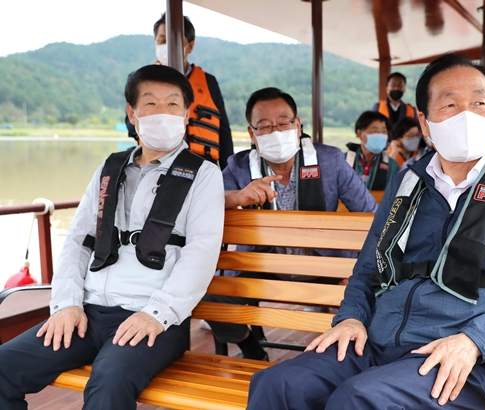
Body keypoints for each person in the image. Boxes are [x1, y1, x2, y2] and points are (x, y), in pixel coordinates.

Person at [246, 54, 485, 410]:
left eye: (479, 103)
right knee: (276, 385)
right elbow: (367, 269)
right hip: (374, 342)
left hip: (457, 359)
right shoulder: (407, 184)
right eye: (450, 104)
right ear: (425, 123)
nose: (466, 115)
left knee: (359, 399)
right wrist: (351, 317)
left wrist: (475, 340)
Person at [0, 65, 225, 410]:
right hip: (87, 313)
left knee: (108, 383)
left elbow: (202, 252)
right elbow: (78, 240)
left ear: (186, 114)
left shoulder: (204, 174)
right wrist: (66, 304)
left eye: (172, 104)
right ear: (132, 114)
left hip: (154, 318)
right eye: (150, 103)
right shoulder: (110, 168)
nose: (162, 112)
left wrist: (158, 314)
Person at [204, 87, 378, 361]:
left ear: (297, 126)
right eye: (264, 126)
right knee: (208, 293)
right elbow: (206, 201)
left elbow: (371, 216)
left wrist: (355, 270)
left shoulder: (330, 160)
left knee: (374, 293)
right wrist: (237, 196)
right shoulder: (239, 166)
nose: (275, 132)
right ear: (252, 134)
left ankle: (345, 357)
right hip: (262, 267)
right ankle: (250, 347)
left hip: (327, 267)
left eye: (283, 123)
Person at [126, 13, 233, 170]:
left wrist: (227, 173)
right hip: (155, 164)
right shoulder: (139, 81)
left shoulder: (208, 82)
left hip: (201, 163)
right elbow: (130, 124)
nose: (167, 46)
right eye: (162, 40)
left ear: (190, 46)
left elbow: (224, 132)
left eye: (175, 41)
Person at [346, 111, 399, 190]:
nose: (380, 135)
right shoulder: (343, 160)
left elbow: (392, 193)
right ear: (360, 134)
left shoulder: (392, 165)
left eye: (384, 132)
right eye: (375, 131)